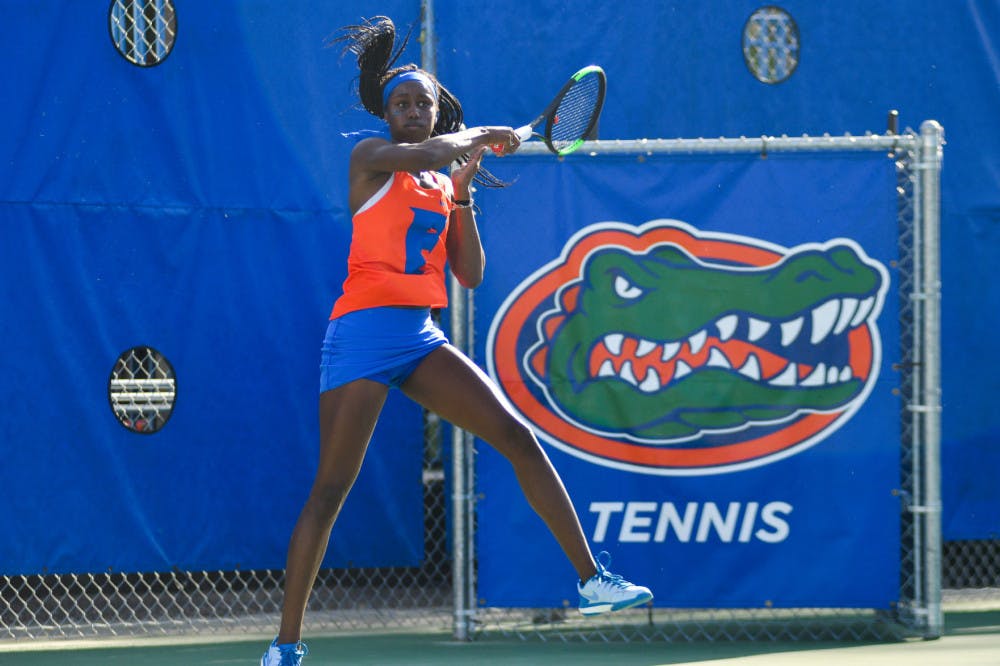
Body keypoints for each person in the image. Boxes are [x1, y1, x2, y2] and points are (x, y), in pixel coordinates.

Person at [261, 16, 652, 666]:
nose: (414, 111)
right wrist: (480, 136)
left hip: (419, 337)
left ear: (437, 108)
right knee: (330, 491)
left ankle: (591, 580)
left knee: (516, 436)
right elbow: (430, 152)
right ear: (387, 114)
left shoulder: (443, 181)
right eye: (403, 103)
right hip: (361, 335)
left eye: (424, 103)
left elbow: (468, 274)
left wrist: (464, 198)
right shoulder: (371, 158)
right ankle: (286, 645)